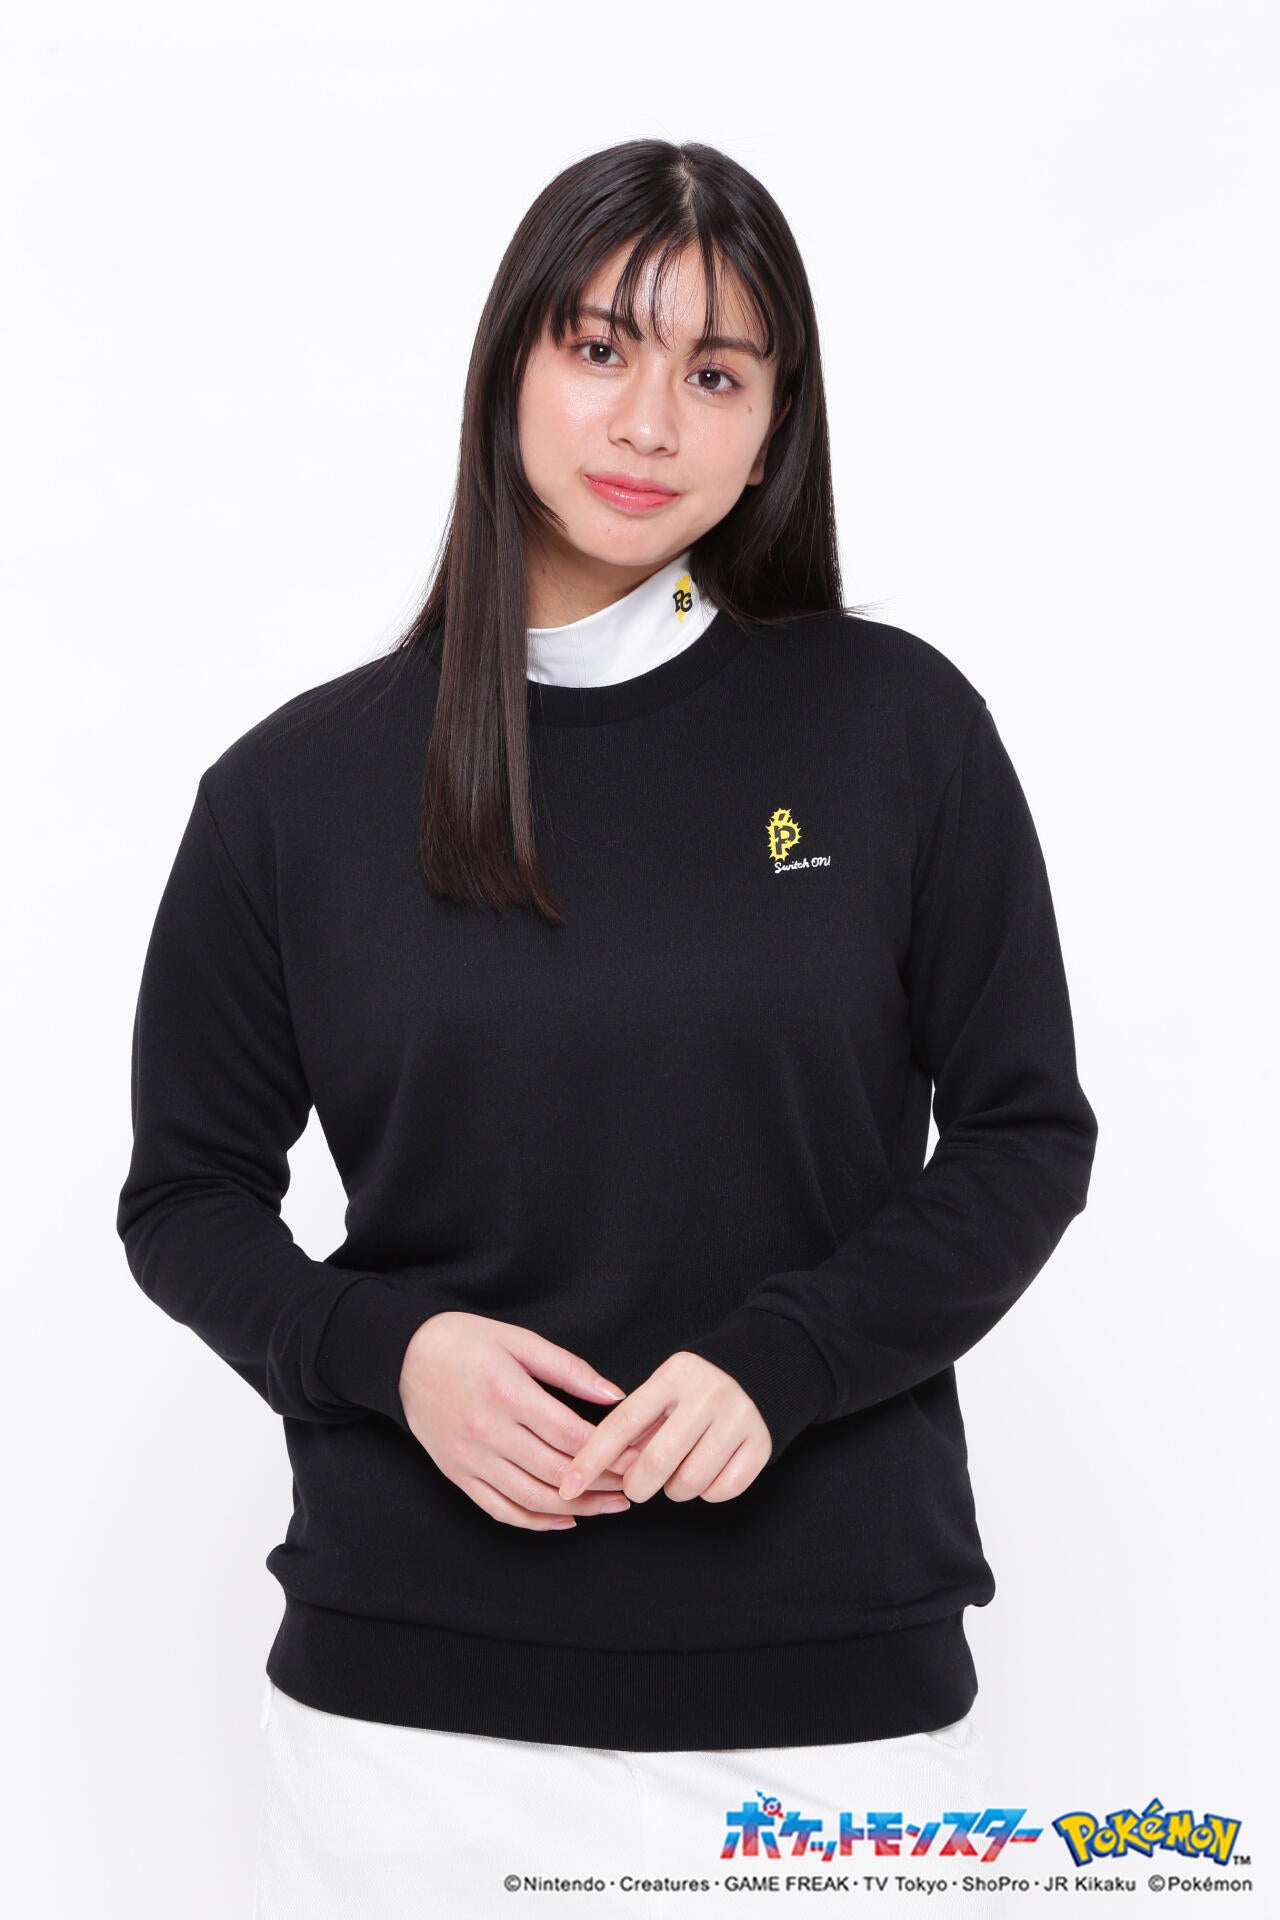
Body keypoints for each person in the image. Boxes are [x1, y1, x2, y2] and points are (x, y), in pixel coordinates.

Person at [116, 138, 1097, 1918]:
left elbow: (1027, 1135)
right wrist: (388, 1354)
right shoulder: (291, 794)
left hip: (834, 1724)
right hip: (407, 1737)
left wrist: (788, 1361)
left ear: (773, 426)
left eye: (716, 374)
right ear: (508, 367)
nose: (650, 420)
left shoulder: (897, 729)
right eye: (598, 348)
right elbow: (185, 1196)